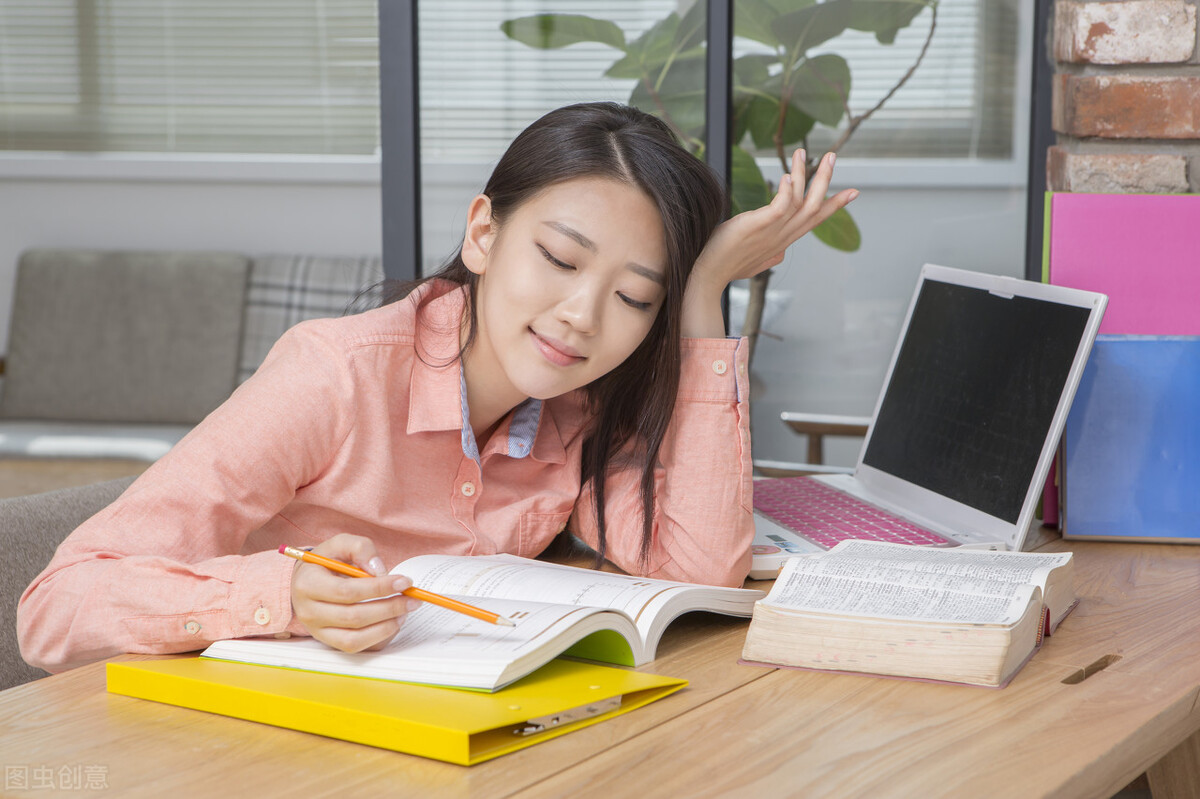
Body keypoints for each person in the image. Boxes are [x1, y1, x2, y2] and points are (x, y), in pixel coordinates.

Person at [18, 102, 856, 672]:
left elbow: (698, 566)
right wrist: (285, 594)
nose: (580, 317)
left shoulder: (578, 410)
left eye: (636, 297)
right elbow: (53, 607)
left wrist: (704, 291)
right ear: (484, 233)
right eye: (560, 260)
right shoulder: (333, 375)